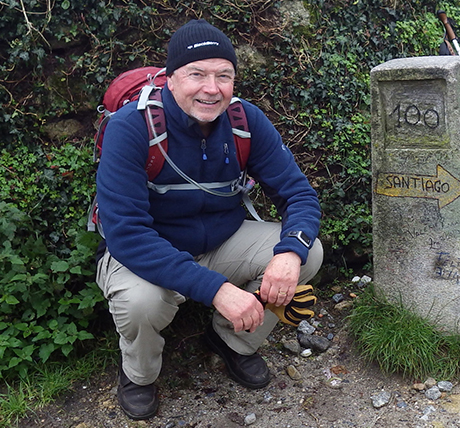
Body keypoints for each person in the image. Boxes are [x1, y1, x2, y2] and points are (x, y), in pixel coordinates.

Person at [95, 19, 324, 420]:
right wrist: (218, 290)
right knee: (140, 302)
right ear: (170, 78)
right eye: (196, 74)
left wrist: (290, 253)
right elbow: (126, 234)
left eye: (224, 75)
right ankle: (140, 374)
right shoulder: (131, 128)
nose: (211, 88)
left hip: (221, 240)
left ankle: (232, 342)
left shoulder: (245, 121)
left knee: (310, 252)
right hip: (147, 254)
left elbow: (299, 195)